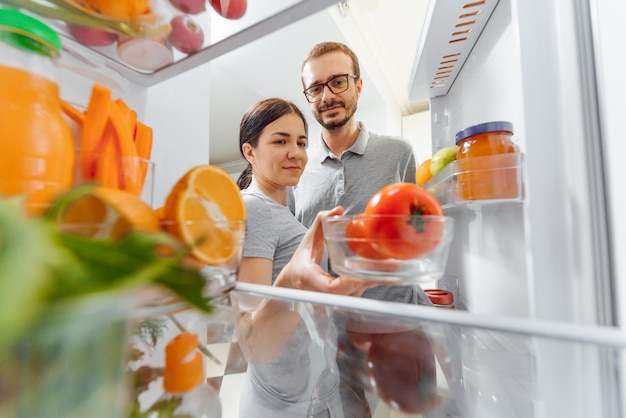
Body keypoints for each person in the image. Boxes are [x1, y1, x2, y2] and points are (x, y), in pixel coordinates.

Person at [233, 98, 379, 417]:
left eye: (301, 141)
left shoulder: (283, 213)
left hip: (310, 391)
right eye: (280, 141)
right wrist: (294, 283)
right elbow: (253, 342)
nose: (296, 152)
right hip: (282, 404)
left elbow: (311, 317)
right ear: (250, 151)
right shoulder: (253, 209)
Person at [292, 41, 418, 304]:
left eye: (338, 82)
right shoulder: (297, 166)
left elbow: (416, 232)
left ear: (358, 86)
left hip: (396, 319)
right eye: (316, 88)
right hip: (325, 327)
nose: (327, 97)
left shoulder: (399, 153)